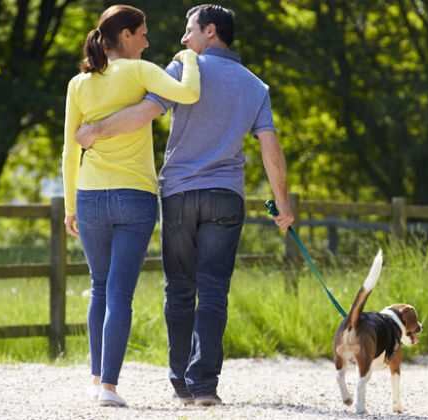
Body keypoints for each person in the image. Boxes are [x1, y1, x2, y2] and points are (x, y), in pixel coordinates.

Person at [76, 4, 295, 407]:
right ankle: (204, 386)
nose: (182, 39)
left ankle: (180, 380)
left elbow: (144, 114)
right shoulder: (255, 86)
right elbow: (270, 149)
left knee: (179, 288)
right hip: (226, 196)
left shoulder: (182, 69)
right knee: (213, 290)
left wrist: (94, 131)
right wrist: (283, 206)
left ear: (210, 31)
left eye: (189, 30)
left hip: (178, 194)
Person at [61, 4, 201, 407]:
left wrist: (70, 205)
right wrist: (188, 56)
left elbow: (70, 151)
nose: (148, 40)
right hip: (135, 196)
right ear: (125, 35)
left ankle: (95, 380)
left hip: (89, 197)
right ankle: (108, 387)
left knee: (99, 288)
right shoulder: (141, 71)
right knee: (119, 293)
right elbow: (189, 92)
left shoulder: (78, 83)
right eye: (142, 33)